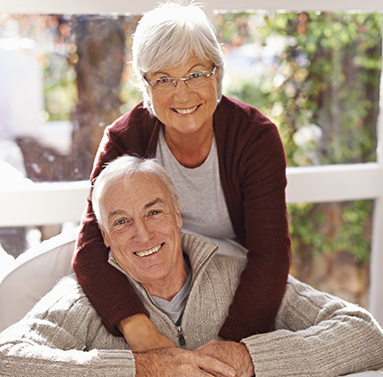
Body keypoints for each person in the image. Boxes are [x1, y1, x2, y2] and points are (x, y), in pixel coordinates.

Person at [0, 156, 383, 377]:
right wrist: (142, 371)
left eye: (154, 212)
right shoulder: (82, 299)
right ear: (104, 236)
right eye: (121, 222)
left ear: (176, 212)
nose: (142, 234)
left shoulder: (243, 281)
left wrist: (251, 358)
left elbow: (364, 334)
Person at [73, 1, 291, 354]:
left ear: (217, 73)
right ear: (146, 84)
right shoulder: (124, 140)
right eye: (164, 79)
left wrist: (229, 346)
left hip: (230, 288)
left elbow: (271, 254)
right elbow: (91, 247)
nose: (183, 93)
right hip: (150, 291)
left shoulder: (255, 138)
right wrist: (138, 329)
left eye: (195, 74)